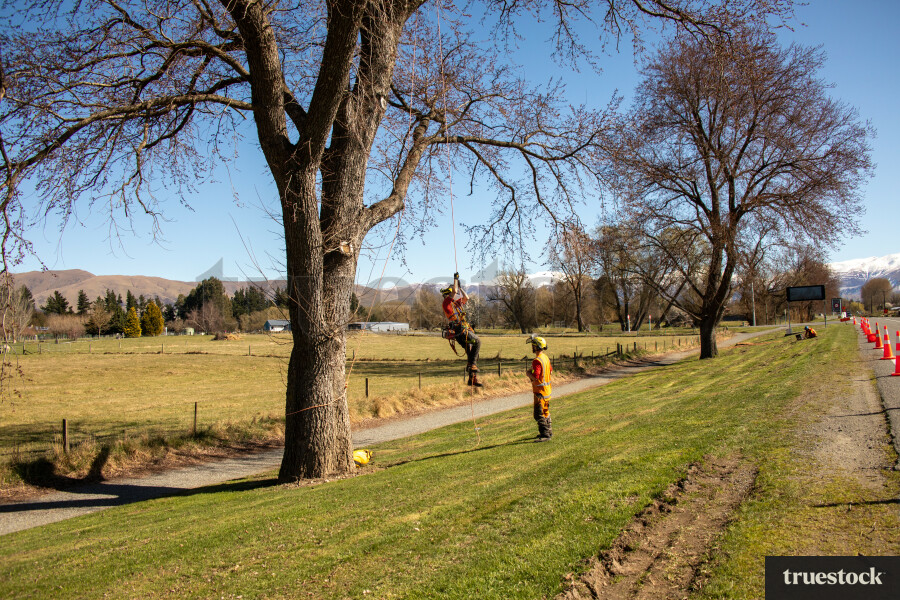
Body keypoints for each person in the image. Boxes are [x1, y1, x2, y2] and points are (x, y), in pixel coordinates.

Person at [441, 272, 482, 387]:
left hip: (461, 329)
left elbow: (466, 298)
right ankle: (472, 365)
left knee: (471, 352)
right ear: (447, 295)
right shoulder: (446, 303)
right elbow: (454, 291)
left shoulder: (456, 304)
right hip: (459, 330)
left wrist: (460, 288)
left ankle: (472, 378)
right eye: (452, 294)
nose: (454, 295)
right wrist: (455, 279)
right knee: (477, 342)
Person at [526, 335, 553, 441]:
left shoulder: (537, 361)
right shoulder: (545, 358)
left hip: (540, 392)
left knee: (538, 414)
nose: (532, 347)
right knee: (545, 411)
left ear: (537, 347)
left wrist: (528, 373)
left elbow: (536, 377)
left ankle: (545, 435)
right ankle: (549, 432)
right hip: (547, 390)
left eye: (533, 345)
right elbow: (550, 371)